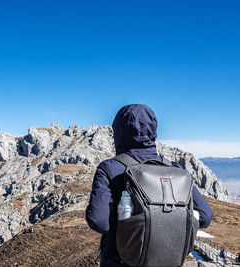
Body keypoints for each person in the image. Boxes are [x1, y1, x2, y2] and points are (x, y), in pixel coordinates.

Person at [85, 104, 214, 266]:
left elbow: (99, 221)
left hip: (121, 261)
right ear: (153, 130)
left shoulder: (110, 168)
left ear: (118, 132)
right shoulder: (174, 169)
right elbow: (205, 215)